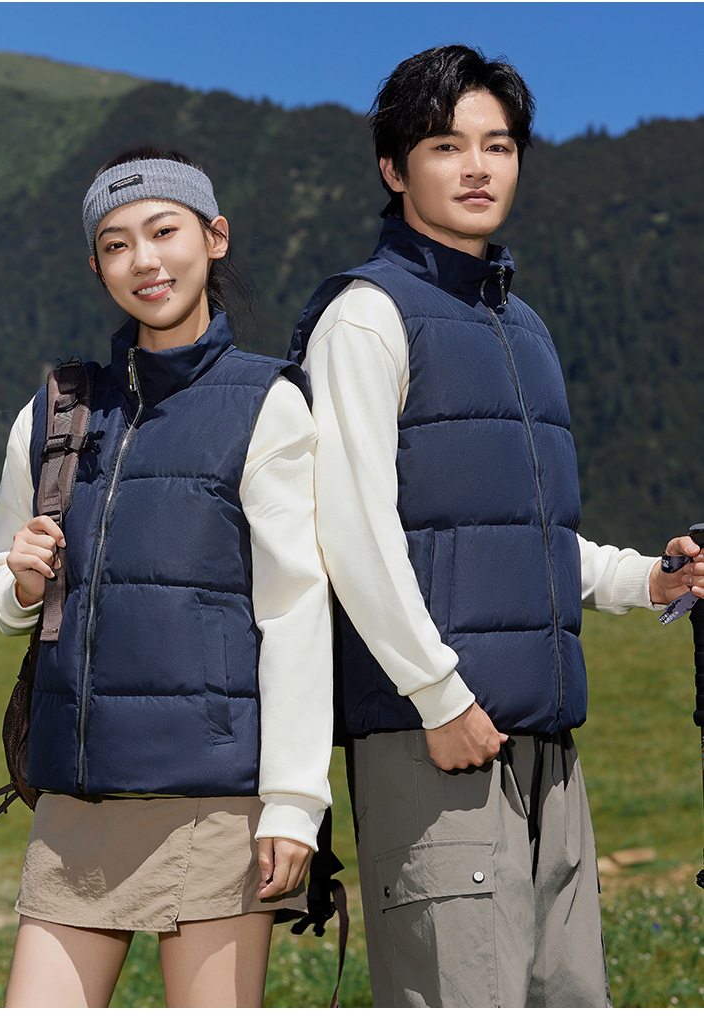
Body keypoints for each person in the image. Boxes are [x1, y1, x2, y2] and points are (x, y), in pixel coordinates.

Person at [287, 45, 704, 1008]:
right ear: (394, 169)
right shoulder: (365, 317)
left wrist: (648, 579)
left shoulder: (523, 326)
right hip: (433, 740)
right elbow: (352, 531)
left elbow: (527, 535)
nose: (478, 166)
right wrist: (439, 698)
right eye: (446, 145)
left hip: (546, 746)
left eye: (499, 144)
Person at [0, 147, 333, 1008]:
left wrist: (294, 802)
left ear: (214, 237)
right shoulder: (57, 410)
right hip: (77, 801)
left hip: (216, 800)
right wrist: (20, 583)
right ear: (97, 266)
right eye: (115, 244)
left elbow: (295, 611)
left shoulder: (267, 402)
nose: (144, 260)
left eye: (164, 231)